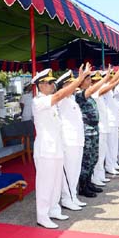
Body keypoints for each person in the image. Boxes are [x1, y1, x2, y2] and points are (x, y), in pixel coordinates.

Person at [32, 65, 91, 229]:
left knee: (56, 183)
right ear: (41, 85)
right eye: (50, 83)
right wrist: (79, 80)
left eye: (52, 82)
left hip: (56, 148)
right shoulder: (38, 101)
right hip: (45, 149)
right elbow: (59, 94)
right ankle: (42, 215)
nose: (53, 85)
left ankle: (53, 209)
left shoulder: (51, 102)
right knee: (45, 183)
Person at [51, 70, 89, 213]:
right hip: (69, 141)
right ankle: (67, 199)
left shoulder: (72, 100)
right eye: (69, 84)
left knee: (76, 170)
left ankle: (73, 196)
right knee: (69, 171)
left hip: (78, 140)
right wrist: (79, 79)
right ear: (63, 86)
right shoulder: (61, 99)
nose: (73, 86)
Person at [76, 70, 114, 195]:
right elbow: (92, 90)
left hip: (94, 130)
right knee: (86, 160)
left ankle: (89, 182)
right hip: (87, 131)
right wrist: (106, 78)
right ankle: (83, 187)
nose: (90, 81)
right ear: (80, 83)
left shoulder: (90, 95)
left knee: (93, 158)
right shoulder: (79, 94)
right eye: (87, 80)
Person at [90, 65, 119, 186]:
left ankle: (100, 175)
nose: (100, 82)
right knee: (99, 155)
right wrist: (117, 78)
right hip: (100, 127)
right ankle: (96, 177)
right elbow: (111, 84)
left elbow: (111, 82)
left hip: (104, 126)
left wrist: (118, 71)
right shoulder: (94, 91)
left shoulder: (99, 90)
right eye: (97, 80)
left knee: (103, 152)